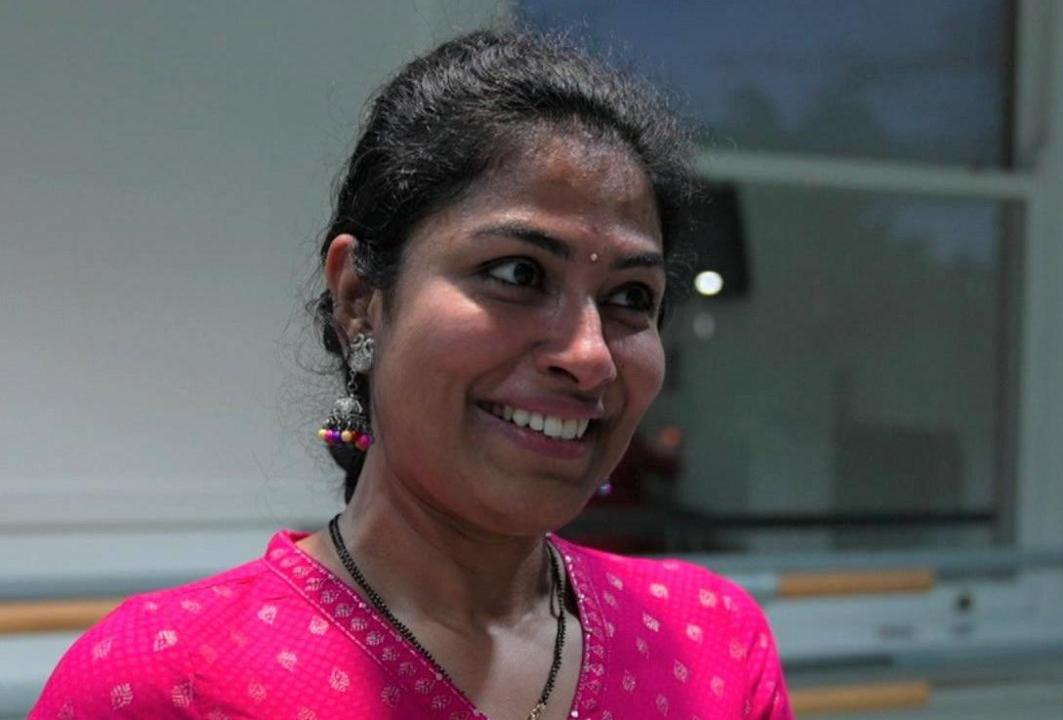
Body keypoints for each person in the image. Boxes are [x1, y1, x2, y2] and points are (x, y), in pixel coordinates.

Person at [32, 29, 792, 719]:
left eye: (631, 298)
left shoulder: (707, 649)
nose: (590, 353)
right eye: (518, 273)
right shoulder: (166, 682)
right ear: (360, 298)